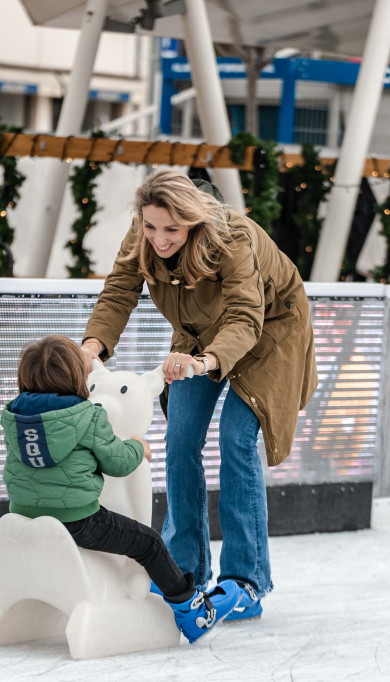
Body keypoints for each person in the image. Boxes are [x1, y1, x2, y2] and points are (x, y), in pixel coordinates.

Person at [81, 170, 318, 622]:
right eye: (151, 227)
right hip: (200, 334)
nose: (160, 239)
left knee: (236, 436)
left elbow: (248, 318)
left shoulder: (233, 238)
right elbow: (119, 291)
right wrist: (92, 344)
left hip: (270, 332)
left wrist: (205, 362)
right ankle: (184, 564)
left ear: (193, 220)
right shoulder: (144, 234)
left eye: (172, 229)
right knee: (181, 436)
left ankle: (245, 580)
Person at [0, 335, 241, 643]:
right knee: (150, 544)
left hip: (23, 516)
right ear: (78, 378)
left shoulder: (12, 417)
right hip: (79, 521)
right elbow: (116, 462)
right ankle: (192, 610)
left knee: (19, 552)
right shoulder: (88, 416)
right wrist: (137, 447)